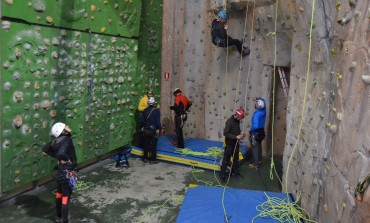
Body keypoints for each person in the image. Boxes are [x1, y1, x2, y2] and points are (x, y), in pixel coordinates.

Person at [42, 122, 77, 223]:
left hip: (61, 171)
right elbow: (62, 153)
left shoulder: (56, 141)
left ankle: (59, 216)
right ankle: (64, 220)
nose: (68, 126)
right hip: (68, 171)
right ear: (63, 130)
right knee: (66, 197)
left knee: (59, 194)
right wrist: (66, 159)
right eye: (66, 126)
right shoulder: (67, 139)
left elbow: (45, 148)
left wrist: (57, 156)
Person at [220, 108, 246, 183]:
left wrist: (241, 133)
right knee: (226, 159)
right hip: (229, 143)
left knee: (235, 159)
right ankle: (222, 175)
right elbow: (225, 133)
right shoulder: (229, 121)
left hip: (235, 143)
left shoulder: (237, 121)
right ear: (238, 115)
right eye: (241, 117)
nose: (241, 119)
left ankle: (235, 173)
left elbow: (236, 129)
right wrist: (236, 137)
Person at [140, 97, 163, 164]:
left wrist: (144, 127)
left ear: (148, 103)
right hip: (154, 131)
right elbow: (157, 122)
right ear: (154, 103)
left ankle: (145, 158)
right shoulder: (156, 111)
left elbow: (142, 121)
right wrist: (160, 128)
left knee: (146, 143)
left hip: (146, 130)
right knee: (153, 145)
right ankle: (152, 159)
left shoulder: (145, 110)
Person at [249, 97, 266, 168]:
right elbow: (264, 101)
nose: (255, 104)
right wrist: (258, 98)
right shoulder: (264, 111)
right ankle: (259, 160)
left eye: (256, 104)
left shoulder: (256, 115)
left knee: (255, 148)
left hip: (255, 133)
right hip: (261, 132)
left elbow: (255, 126)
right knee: (259, 146)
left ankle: (255, 164)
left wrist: (251, 131)